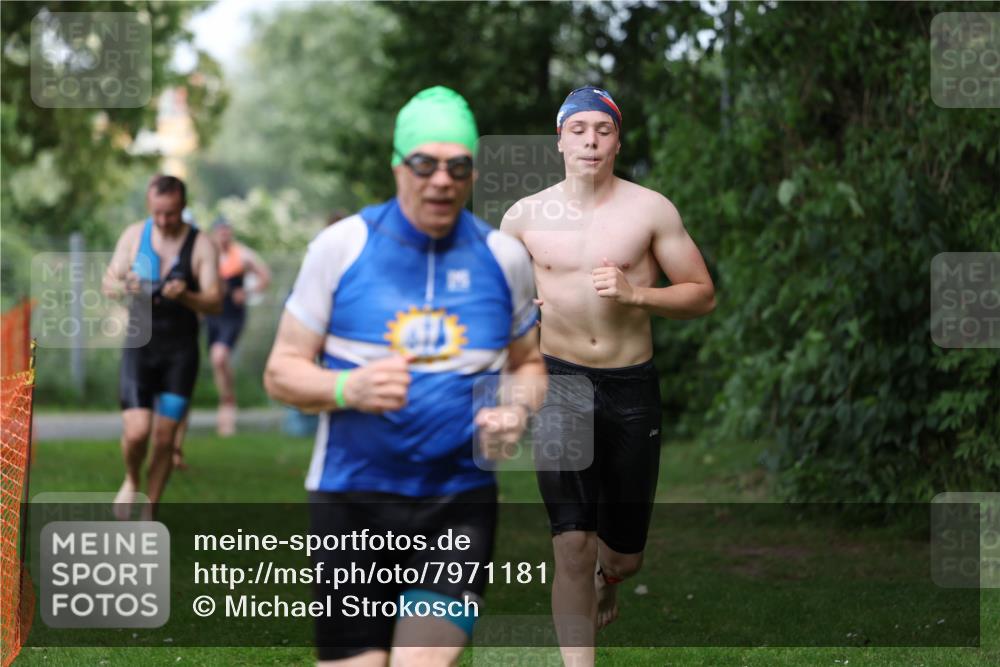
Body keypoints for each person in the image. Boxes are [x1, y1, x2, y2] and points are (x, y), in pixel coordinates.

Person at [263, 86, 546, 666]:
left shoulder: (504, 258)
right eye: (424, 164)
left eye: (457, 166)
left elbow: (528, 364)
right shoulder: (341, 247)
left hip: (456, 502)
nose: (441, 180)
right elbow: (280, 371)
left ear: (472, 174)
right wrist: (347, 388)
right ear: (398, 166)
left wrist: (516, 410)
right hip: (351, 500)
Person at [501, 86, 716, 665]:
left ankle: (610, 577)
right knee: (571, 544)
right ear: (560, 141)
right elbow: (495, 304)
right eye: (578, 130)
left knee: (623, 557)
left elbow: (701, 295)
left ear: (617, 141)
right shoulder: (523, 217)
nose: (590, 141)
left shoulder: (651, 210)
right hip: (559, 382)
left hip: (630, 387)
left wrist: (637, 294)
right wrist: (515, 314)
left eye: (603, 129)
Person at [102, 174, 222, 519]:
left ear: (183, 206)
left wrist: (187, 296)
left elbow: (215, 302)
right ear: (149, 205)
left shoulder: (201, 245)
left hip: (180, 353)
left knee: (166, 438)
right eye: (158, 212)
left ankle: (150, 509)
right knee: (137, 431)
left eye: (171, 213)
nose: (164, 220)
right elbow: (109, 283)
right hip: (140, 348)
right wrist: (123, 285)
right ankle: (131, 478)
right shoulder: (133, 236)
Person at [203, 217, 271, 437]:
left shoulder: (242, 254)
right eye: (220, 231)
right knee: (217, 361)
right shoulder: (207, 255)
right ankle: (226, 400)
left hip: (232, 316)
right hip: (212, 315)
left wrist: (247, 292)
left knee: (219, 357)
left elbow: (265, 277)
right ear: (214, 234)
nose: (224, 235)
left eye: (227, 231)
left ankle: (228, 401)